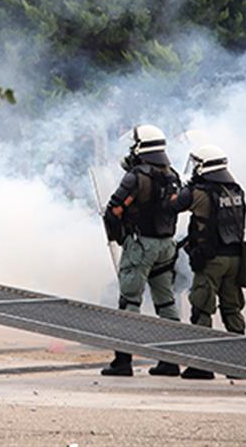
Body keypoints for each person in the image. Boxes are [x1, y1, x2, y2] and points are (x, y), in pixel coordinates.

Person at [99, 124, 183, 377]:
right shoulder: (173, 174)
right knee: (166, 302)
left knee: (129, 301)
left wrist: (121, 230)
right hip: (167, 245)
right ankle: (170, 362)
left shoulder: (136, 176)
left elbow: (114, 208)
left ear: (140, 147)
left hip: (141, 244)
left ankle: (123, 361)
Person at [172, 143, 246, 379]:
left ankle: (202, 364)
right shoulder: (236, 190)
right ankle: (238, 365)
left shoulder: (199, 192)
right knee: (232, 309)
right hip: (235, 258)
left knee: (202, 309)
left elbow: (172, 205)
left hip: (211, 260)